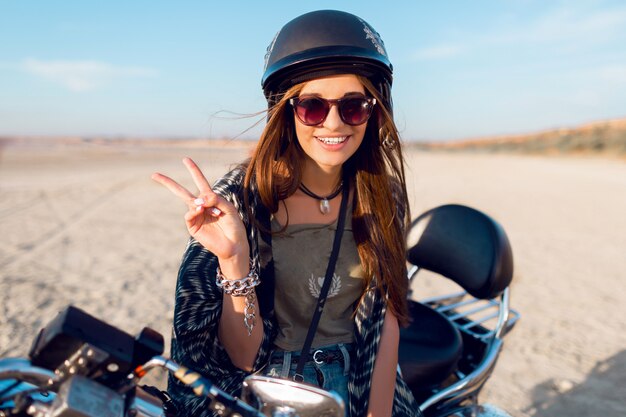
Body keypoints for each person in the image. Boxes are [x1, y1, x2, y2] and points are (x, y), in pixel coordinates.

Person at [152, 10, 421, 417]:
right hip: (269, 388)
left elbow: (386, 320)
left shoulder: (384, 195)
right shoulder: (241, 203)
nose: (334, 122)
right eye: (313, 107)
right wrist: (233, 262)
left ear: (374, 110)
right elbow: (242, 360)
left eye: (354, 106)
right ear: (285, 109)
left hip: (357, 380)